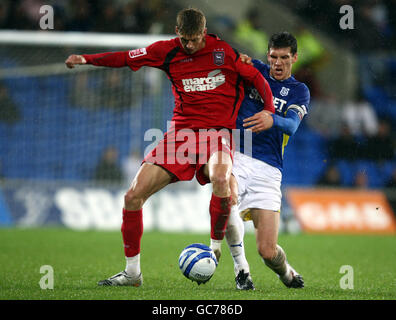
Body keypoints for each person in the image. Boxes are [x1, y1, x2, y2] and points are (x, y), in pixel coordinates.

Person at [65, 8, 275, 287]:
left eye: (195, 39)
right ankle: (132, 273)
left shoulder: (224, 52)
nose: (190, 45)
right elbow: (125, 58)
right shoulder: (166, 51)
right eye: (185, 40)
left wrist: (270, 110)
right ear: (177, 33)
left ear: (204, 32)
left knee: (222, 180)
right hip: (181, 136)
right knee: (132, 197)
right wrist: (86, 59)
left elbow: (258, 79)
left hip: (217, 134)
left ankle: (216, 249)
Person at [223, 32, 310, 290]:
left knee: (268, 251)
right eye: (273, 57)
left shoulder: (299, 91)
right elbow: (223, 60)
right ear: (267, 55)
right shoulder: (254, 71)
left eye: (284, 57)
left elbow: (293, 125)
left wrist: (273, 119)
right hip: (237, 153)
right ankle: (241, 270)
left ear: (294, 58)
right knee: (225, 195)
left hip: (269, 168)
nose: (278, 63)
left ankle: (287, 274)